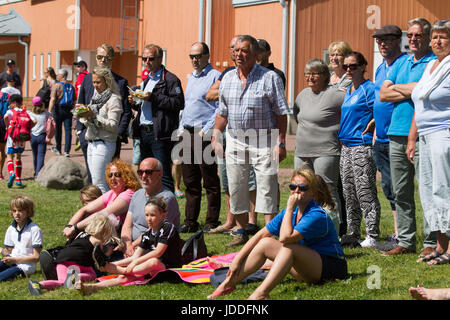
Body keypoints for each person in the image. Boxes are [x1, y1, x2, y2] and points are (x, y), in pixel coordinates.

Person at [207, 169, 347, 300]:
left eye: (303, 188)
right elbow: (259, 235)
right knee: (265, 243)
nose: (296, 191)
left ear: (313, 193)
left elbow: (285, 238)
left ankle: (261, 293)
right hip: (306, 268)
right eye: (293, 187)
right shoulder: (289, 212)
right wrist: (237, 260)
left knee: (288, 247)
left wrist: (290, 207)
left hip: (331, 268)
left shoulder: (316, 215)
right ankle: (227, 284)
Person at [212, 35, 291, 247]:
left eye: (244, 51)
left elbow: (281, 113)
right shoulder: (227, 78)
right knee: (236, 185)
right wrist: (216, 134)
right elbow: (222, 112)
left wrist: (281, 142)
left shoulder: (270, 78)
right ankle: (241, 231)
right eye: (236, 50)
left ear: (256, 55)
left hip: (264, 140)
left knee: (266, 185)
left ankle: (269, 234)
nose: (239, 55)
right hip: (236, 139)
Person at [379, 17, 437, 256]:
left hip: (423, 133)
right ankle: (406, 241)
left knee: (428, 189)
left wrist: (409, 89)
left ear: (427, 37)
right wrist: (413, 90)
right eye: (410, 35)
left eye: (418, 35)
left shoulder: (434, 62)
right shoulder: (402, 63)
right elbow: (383, 93)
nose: (413, 39)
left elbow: (425, 90)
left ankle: (432, 242)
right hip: (396, 133)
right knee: (401, 191)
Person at [76, 197, 183, 296]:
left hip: (170, 268)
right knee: (125, 277)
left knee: (153, 261)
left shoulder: (168, 228)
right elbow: (134, 257)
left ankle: (119, 270)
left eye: (152, 215)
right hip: (151, 271)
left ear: (163, 215)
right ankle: (91, 287)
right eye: (146, 215)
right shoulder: (147, 234)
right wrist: (112, 264)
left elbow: (158, 252)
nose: (149, 219)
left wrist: (134, 263)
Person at [205, 35, 258, 237]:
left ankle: (251, 220)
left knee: (250, 179)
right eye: (233, 48)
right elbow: (209, 95)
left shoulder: (261, 75)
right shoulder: (228, 74)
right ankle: (231, 220)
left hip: (250, 134)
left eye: (240, 49)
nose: (236, 53)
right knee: (228, 178)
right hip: (227, 131)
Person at [411, 20, 450, 265]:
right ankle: (439, 244)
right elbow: (419, 102)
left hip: (443, 134)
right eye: (434, 37)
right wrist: (412, 139)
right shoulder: (431, 66)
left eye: (443, 37)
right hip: (424, 135)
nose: (437, 41)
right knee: (427, 190)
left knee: (443, 190)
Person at [293, 58, 345, 232]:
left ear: (325, 76)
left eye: (315, 73)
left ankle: (333, 231)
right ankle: (306, 229)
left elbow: (351, 112)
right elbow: (297, 115)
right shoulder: (302, 95)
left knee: (327, 191)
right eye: (308, 74)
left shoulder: (336, 94)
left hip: (326, 150)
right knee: (301, 190)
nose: (310, 77)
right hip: (302, 151)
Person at [337, 51, 381, 248]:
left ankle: (372, 234)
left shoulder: (369, 89)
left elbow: (382, 108)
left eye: (353, 66)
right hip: (346, 146)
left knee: (365, 191)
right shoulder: (348, 90)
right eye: (345, 66)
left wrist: (374, 122)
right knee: (349, 193)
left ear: (363, 66)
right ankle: (353, 233)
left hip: (361, 145)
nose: (348, 70)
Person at [176, 41, 221, 233]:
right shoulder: (192, 77)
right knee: (190, 180)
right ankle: (190, 221)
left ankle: (212, 221)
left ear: (207, 56)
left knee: (209, 180)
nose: (194, 60)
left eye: (198, 56)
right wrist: (180, 128)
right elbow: (189, 106)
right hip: (186, 132)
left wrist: (207, 129)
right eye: (191, 56)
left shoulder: (215, 76)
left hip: (203, 133)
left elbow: (219, 107)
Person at [371, 24, 409, 251]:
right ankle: (398, 232)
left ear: (398, 40)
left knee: (398, 187)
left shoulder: (404, 64)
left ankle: (402, 235)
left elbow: (405, 92)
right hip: (381, 135)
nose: (382, 44)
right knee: (387, 185)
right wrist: (375, 124)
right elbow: (381, 97)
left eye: (387, 40)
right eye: (379, 40)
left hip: (398, 133)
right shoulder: (380, 68)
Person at [128, 43, 184, 193]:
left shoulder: (170, 79)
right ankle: (152, 205)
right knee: (147, 172)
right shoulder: (146, 80)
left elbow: (178, 103)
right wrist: (135, 103)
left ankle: (168, 209)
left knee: (162, 173)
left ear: (160, 59)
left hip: (160, 133)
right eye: (144, 59)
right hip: (144, 131)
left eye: (151, 59)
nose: (147, 62)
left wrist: (153, 97)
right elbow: (146, 106)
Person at [77, 43, 132, 180]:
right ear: (96, 58)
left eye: (107, 57)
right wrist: (80, 131)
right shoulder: (87, 79)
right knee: (93, 178)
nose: (103, 60)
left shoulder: (120, 82)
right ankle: (94, 200)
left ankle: (111, 201)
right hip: (88, 135)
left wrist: (119, 133)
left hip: (109, 137)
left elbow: (126, 111)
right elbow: (81, 104)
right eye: (100, 57)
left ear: (112, 59)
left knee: (111, 178)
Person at [27, 214, 118, 295]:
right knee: (65, 282)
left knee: (90, 274)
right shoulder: (98, 241)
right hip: (77, 262)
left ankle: (71, 277)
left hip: (62, 259)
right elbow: (101, 257)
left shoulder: (82, 234)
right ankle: (38, 284)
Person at [63, 158, 140, 242]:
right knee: (87, 214)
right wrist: (69, 226)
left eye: (117, 174)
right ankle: (71, 244)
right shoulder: (112, 193)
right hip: (108, 231)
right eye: (110, 175)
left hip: (121, 235)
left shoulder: (128, 194)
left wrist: (75, 228)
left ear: (126, 176)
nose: (113, 178)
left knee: (93, 219)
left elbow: (103, 214)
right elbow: (84, 209)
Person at [75, 66, 123, 193]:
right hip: (91, 141)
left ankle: (107, 211)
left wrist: (93, 117)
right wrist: (83, 114)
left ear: (107, 81)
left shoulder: (114, 100)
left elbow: (113, 126)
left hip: (104, 143)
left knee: (100, 183)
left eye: (98, 82)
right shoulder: (96, 98)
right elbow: (88, 121)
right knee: (96, 182)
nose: (95, 85)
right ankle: (101, 211)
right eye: (93, 82)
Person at [120, 158, 181, 257]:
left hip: (153, 248)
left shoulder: (166, 199)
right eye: (140, 172)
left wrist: (133, 246)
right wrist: (127, 245)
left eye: (148, 172)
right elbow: (127, 225)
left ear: (160, 174)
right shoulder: (136, 195)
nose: (143, 176)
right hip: (132, 247)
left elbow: (154, 231)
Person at [0, 195, 42, 281]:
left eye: (20, 210)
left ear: (28, 212)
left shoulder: (34, 230)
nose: (17, 214)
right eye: (14, 211)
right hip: (12, 261)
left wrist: (15, 260)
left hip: (25, 266)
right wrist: (4, 253)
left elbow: (36, 257)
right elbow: (9, 252)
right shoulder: (11, 229)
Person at [3, 94, 35, 188]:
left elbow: (5, 117)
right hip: (22, 137)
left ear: (14, 103)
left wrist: (7, 126)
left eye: (10, 103)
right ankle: (18, 179)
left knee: (9, 156)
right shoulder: (26, 112)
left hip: (12, 137)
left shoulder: (11, 111)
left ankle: (12, 173)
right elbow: (34, 121)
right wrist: (28, 129)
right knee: (18, 157)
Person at [49, 69, 76, 157]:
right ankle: (67, 151)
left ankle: (58, 148)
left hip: (58, 109)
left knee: (58, 130)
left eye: (58, 74)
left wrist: (49, 111)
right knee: (68, 130)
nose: (57, 76)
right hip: (68, 110)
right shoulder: (71, 86)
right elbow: (74, 100)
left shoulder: (57, 86)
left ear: (62, 76)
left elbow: (53, 99)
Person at [28, 96, 53, 178]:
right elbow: (52, 119)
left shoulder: (30, 113)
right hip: (42, 136)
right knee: (41, 155)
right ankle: (38, 174)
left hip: (33, 136)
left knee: (35, 155)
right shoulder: (46, 113)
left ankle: (35, 171)